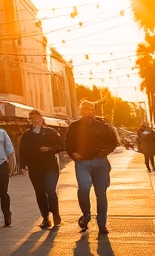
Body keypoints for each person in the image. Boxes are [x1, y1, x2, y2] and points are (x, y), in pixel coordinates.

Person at [65, 99, 118, 234]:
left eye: (89, 109)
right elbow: (68, 144)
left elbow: (113, 141)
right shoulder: (74, 126)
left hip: (100, 162)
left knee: (101, 193)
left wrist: (105, 152)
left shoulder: (102, 126)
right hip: (82, 162)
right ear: (80, 111)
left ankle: (102, 223)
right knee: (84, 187)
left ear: (93, 111)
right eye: (84, 109)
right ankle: (86, 214)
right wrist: (73, 153)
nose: (86, 112)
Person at [19, 109, 62, 229]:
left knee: (50, 191)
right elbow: (22, 151)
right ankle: (45, 217)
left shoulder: (50, 131)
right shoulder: (27, 135)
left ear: (41, 118)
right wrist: (22, 166)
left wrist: (49, 149)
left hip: (50, 167)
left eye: (35, 117)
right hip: (34, 168)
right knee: (40, 192)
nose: (34, 120)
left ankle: (56, 214)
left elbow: (60, 146)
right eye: (31, 118)